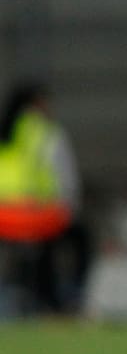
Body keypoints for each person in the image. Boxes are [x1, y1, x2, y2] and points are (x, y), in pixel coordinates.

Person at [0, 80, 88, 312]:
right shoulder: (48, 134)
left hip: (3, 218)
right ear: (38, 104)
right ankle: (67, 298)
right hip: (38, 214)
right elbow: (67, 181)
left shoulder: (6, 132)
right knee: (77, 235)